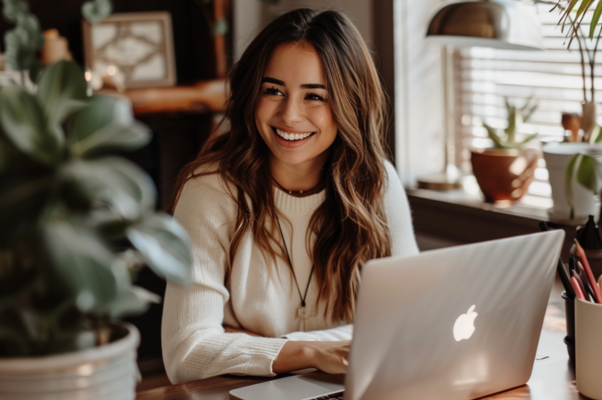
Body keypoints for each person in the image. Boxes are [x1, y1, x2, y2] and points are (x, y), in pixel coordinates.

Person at [161, 8, 419, 384]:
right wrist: (311, 352)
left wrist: (266, 345)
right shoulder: (208, 190)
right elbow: (185, 353)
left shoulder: (376, 181)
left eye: (314, 96)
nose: (290, 115)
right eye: (273, 91)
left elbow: (411, 321)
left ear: (350, 103)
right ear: (253, 93)